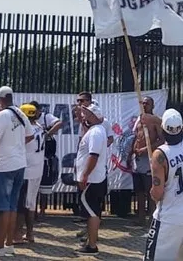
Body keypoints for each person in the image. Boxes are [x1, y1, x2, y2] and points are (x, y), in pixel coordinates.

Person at [143, 108, 183, 261]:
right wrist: (154, 118)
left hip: (170, 219)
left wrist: (152, 191)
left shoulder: (160, 155)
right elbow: (182, 129)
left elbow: (157, 194)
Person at [0, 86, 33, 258]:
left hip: (4, 164)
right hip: (20, 164)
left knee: (2, 207)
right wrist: (16, 144)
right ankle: (8, 243)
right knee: (12, 205)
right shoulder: (20, 113)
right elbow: (30, 136)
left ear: (1, 99)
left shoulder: (2, 115)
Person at [74, 102, 108, 255]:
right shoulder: (96, 131)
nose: (84, 116)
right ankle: (90, 241)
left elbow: (93, 156)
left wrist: (84, 175)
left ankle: (92, 246)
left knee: (92, 213)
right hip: (94, 179)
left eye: (87, 114)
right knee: (92, 211)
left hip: (91, 180)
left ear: (94, 116)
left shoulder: (95, 132)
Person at [14, 103, 45, 245]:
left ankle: (18, 235)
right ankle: (30, 234)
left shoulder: (26, 130)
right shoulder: (40, 127)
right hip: (37, 170)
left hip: (27, 171)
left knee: (21, 205)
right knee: (31, 203)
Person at [130, 96, 164, 224]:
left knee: (150, 189)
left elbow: (161, 140)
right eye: (143, 103)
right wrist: (131, 153)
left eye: (147, 103)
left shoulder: (155, 121)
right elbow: (136, 138)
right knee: (139, 191)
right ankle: (140, 218)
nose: (144, 106)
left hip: (148, 158)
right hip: (137, 159)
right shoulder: (139, 120)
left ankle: (152, 217)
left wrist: (145, 149)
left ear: (152, 106)